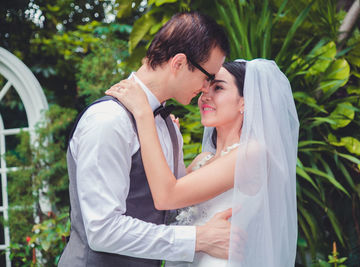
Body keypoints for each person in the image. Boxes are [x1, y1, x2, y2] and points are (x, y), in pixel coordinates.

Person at [58, 11, 232, 267]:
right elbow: (103, 231)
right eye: (207, 77)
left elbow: (171, 211)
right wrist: (198, 239)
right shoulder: (108, 120)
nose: (207, 89)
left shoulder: (168, 127)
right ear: (179, 63)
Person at [106, 59, 300, 266]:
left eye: (218, 87)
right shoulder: (203, 159)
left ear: (245, 101)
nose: (205, 95)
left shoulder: (252, 153)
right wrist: (173, 143)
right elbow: (169, 208)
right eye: (205, 87)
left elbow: (167, 196)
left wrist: (143, 113)